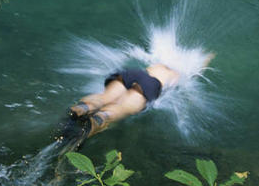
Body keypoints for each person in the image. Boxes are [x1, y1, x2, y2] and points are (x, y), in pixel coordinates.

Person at [69, 53, 215, 138]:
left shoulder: (161, 63)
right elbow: (196, 72)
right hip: (152, 84)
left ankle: (82, 108)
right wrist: (208, 58)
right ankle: (98, 120)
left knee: (104, 98)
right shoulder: (179, 74)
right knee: (121, 107)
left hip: (135, 73)